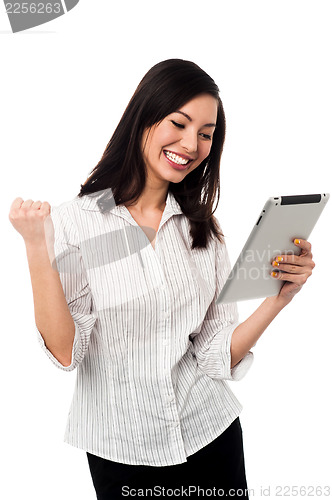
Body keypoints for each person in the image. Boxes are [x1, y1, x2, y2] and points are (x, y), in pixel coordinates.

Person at [8, 59, 315, 499]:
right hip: (122, 452)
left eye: (206, 134)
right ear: (144, 117)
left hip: (211, 433)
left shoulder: (201, 228)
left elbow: (214, 353)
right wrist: (37, 248)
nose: (191, 143)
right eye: (179, 123)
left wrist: (277, 299)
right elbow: (65, 352)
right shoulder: (77, 222)